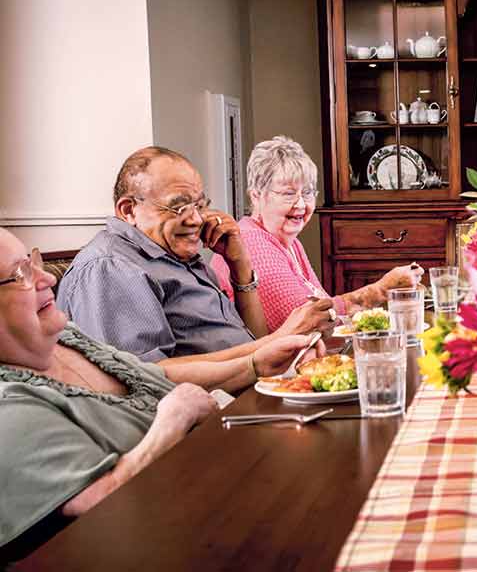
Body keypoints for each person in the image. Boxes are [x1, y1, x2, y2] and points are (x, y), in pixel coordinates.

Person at [0, 227, 324, 559]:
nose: (47, 279)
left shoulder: (64, 337)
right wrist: (170, 425)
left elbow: (152, 374)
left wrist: (255, 365)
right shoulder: (8, 409)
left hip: (216, 494)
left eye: (33, 261)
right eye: (20, 274)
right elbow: (96, 504)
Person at [57, 147, 335, 365]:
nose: (196, 220)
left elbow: (254, 340)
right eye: (179, 208)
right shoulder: (111, 267)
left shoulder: (175, 254)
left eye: (200, 205)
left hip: (250, 391)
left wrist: (239, 265)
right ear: (128, 210)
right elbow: (143, 377)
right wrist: (280, 340)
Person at [210, 136, 423, 332]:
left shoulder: (289, 242)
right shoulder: (252, 242)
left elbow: (323, 307)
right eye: (288, 193)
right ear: (256, 196)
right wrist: (380, 290)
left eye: (308, 192)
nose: (301, 204)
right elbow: (310, 324)